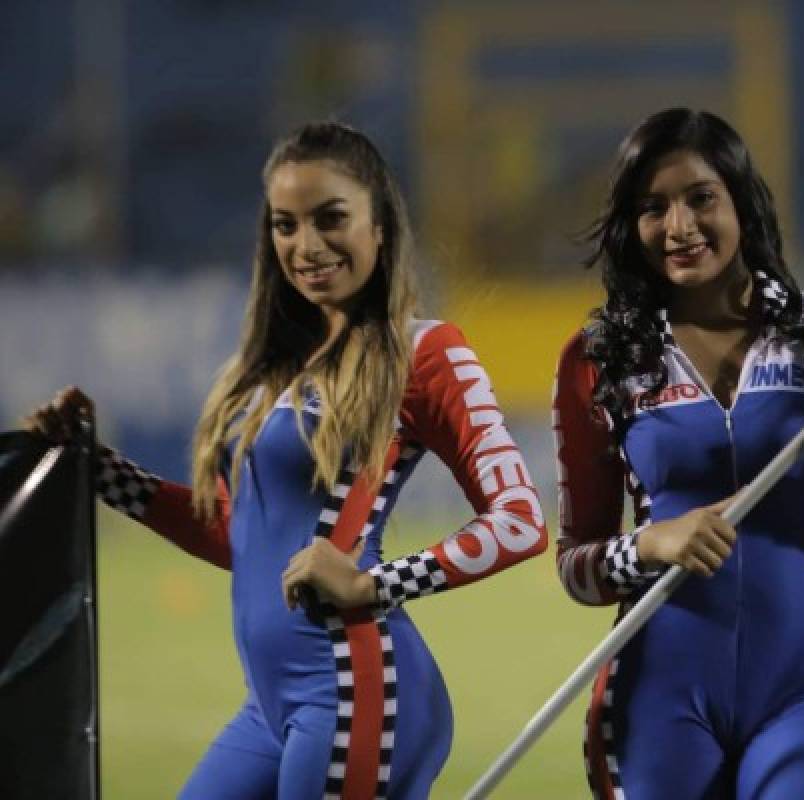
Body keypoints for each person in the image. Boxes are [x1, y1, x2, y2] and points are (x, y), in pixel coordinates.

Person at [27, 121, 547, 799]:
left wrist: (376, 584)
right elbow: (234, 537)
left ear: (381, 225)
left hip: (354, 697)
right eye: (286, 225)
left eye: (331, 218)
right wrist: (97, 468)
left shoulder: (424, 351)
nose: (308, 246)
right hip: (270, 709)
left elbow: (520, 520)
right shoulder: (269, 370)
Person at [552, 108, 804, 799]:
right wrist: (652, 545)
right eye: (653, 208)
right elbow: (576, 569)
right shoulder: (597, 360)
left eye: (701, 198)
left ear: (742, 201)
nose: (679, 228)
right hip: (653, 701)